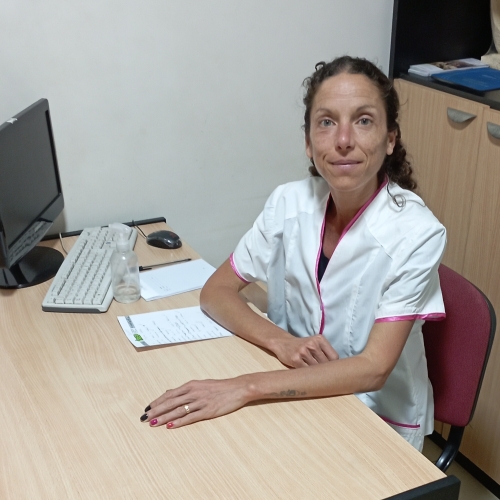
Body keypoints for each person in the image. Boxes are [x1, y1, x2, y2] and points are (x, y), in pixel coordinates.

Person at [140, 56, 446, 451]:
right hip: (293, 395)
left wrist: (245, 387)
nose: (343, 140)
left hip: (376, 422)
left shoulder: (417, 233)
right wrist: (282, 343)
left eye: (364, 120)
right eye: (327, 122)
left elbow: (373, 369)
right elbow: (215, 292)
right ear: (308, 141)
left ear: (390, 139)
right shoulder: (288, 203)